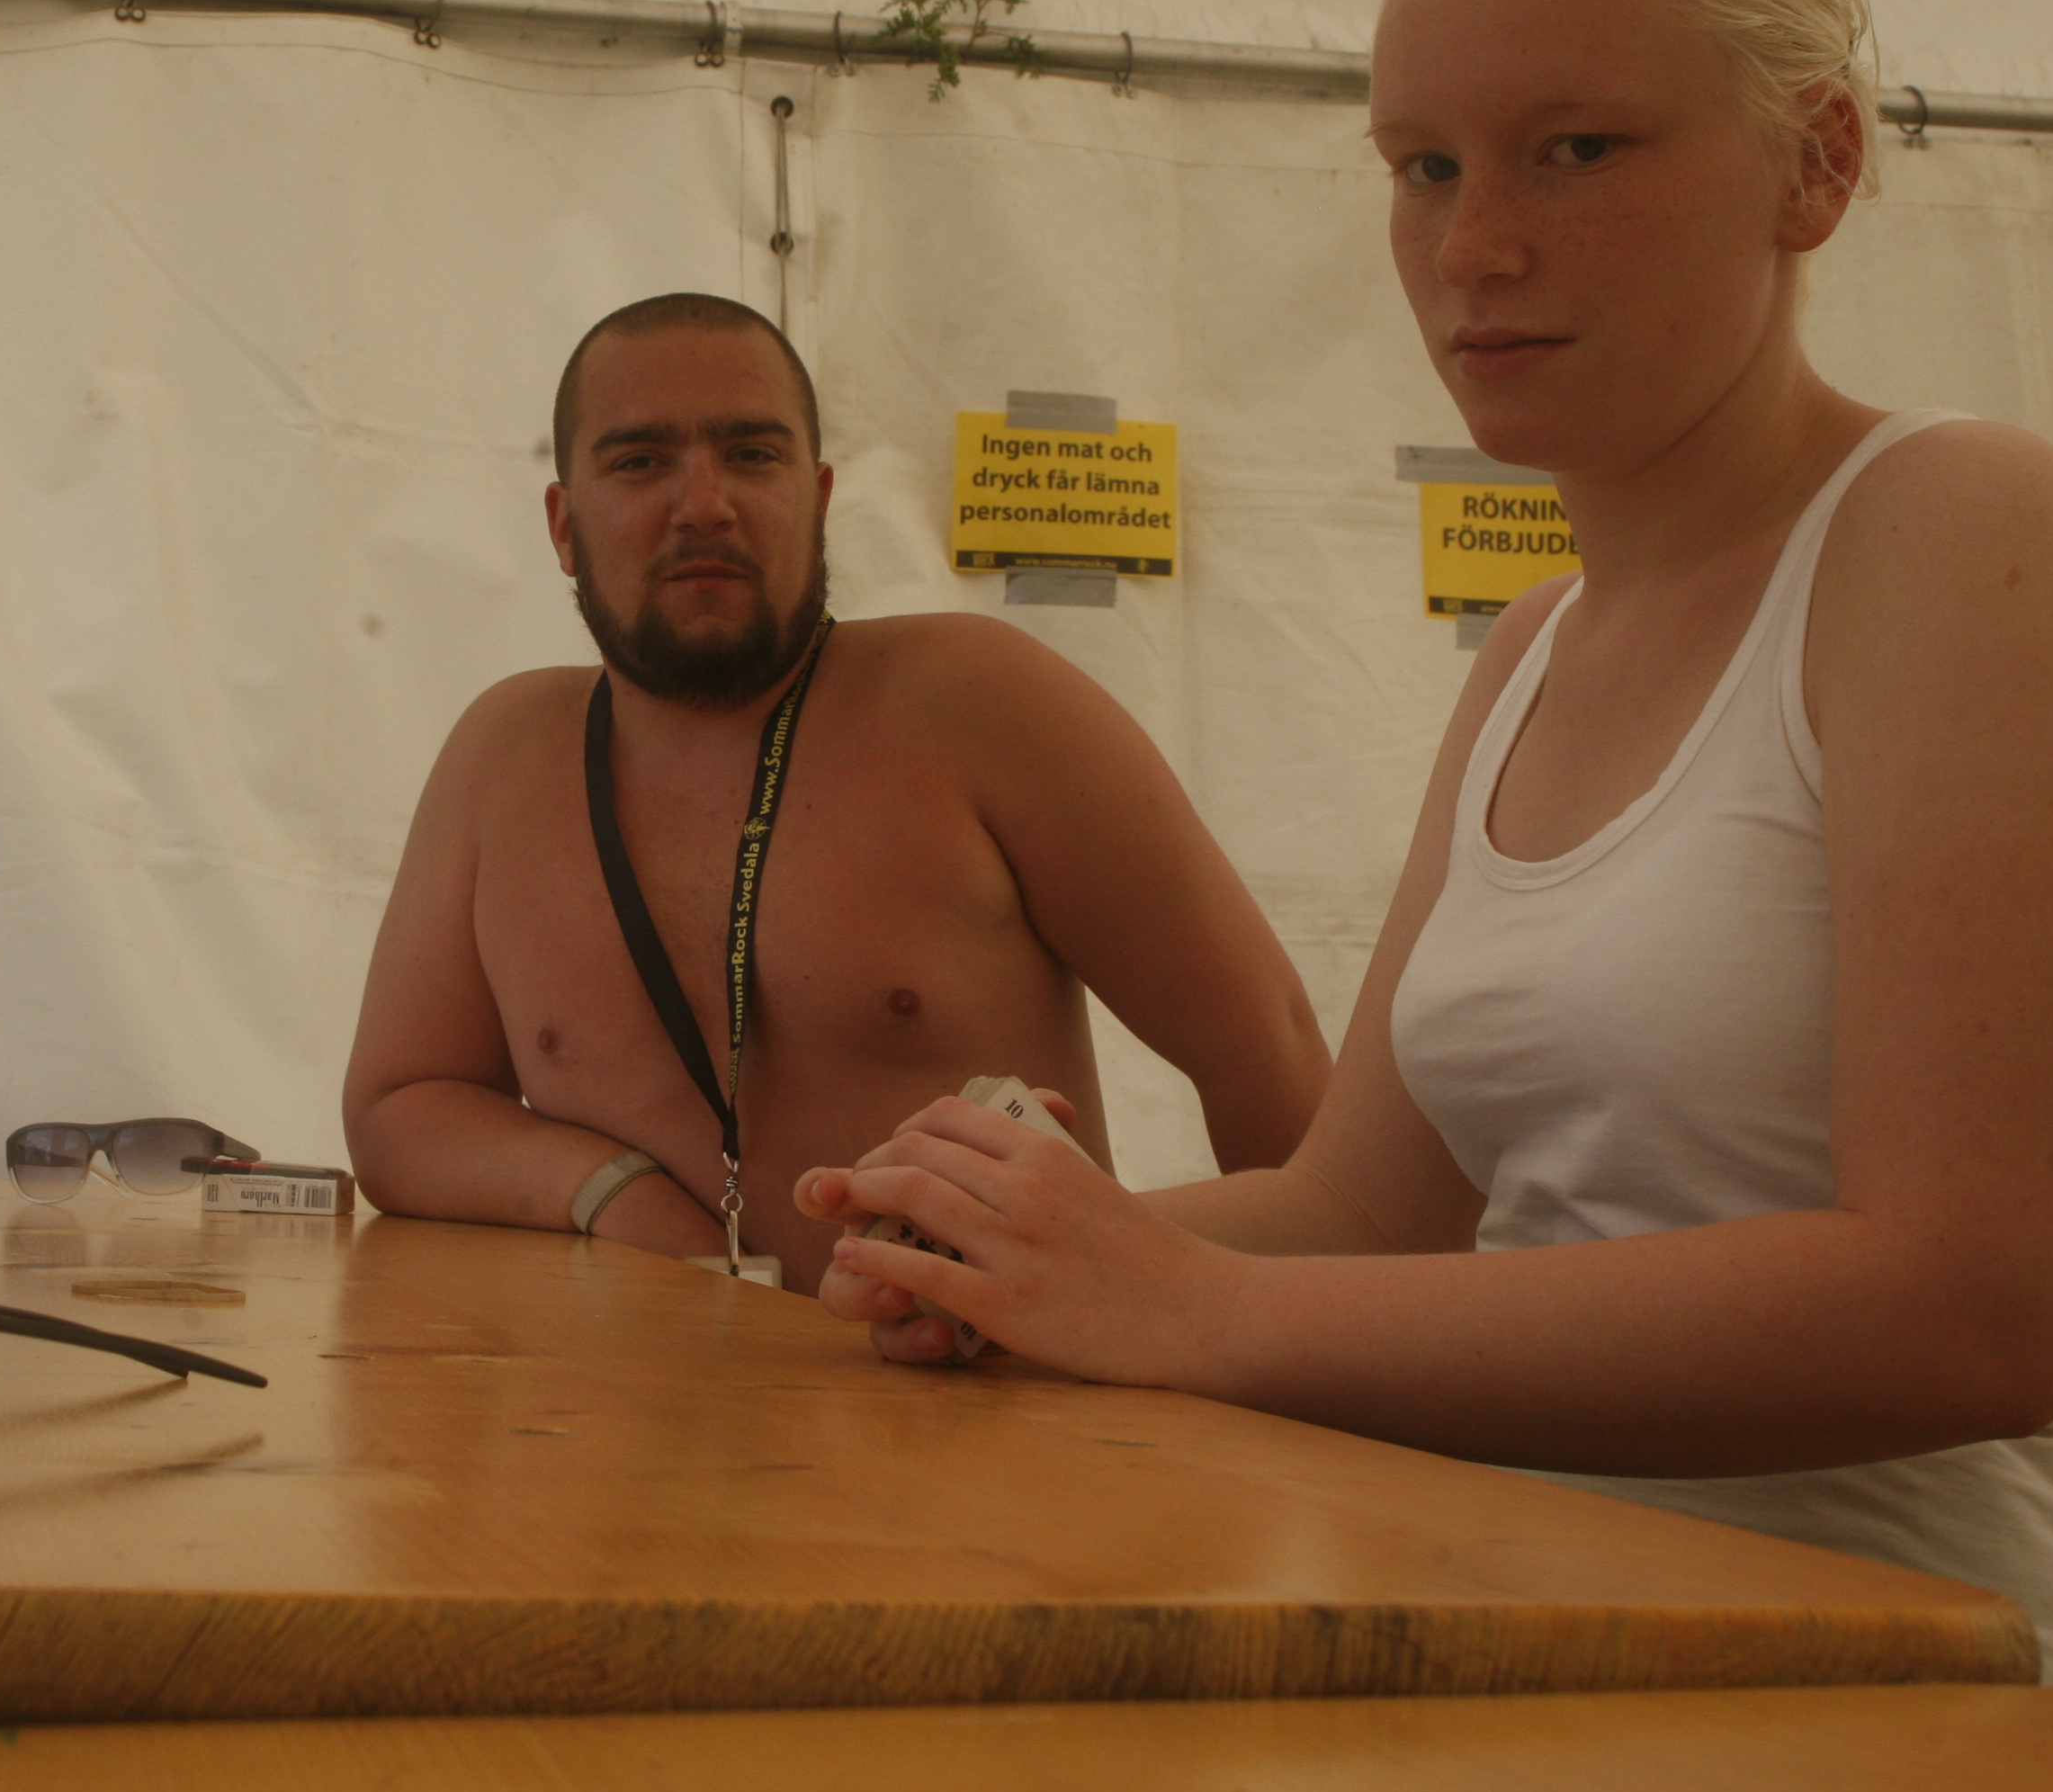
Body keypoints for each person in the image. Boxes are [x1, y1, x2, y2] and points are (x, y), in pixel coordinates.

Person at [797, 0, 2053, 1694]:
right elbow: (1361, 1209)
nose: (1472, 247)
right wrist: (1007, 1254)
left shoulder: (1970, 544)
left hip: (1927, 1727)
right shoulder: (1540, 645)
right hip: (1539, 1671)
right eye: (1422, 165)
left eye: (1575, 150)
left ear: (1813, 164)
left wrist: (1186, 1308)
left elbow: (1971, 1306)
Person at [344, 292, 1330, 1293]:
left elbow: (1266, 1051)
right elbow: (399, 1109)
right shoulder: (505, 757)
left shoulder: (981, 702)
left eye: (751, 454)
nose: (703, 504)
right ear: (564, 525)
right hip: (636, 1385)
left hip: (998, 1383)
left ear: (818, 499)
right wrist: (610, 1190)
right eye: (640, 461)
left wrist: (1261, 1338)